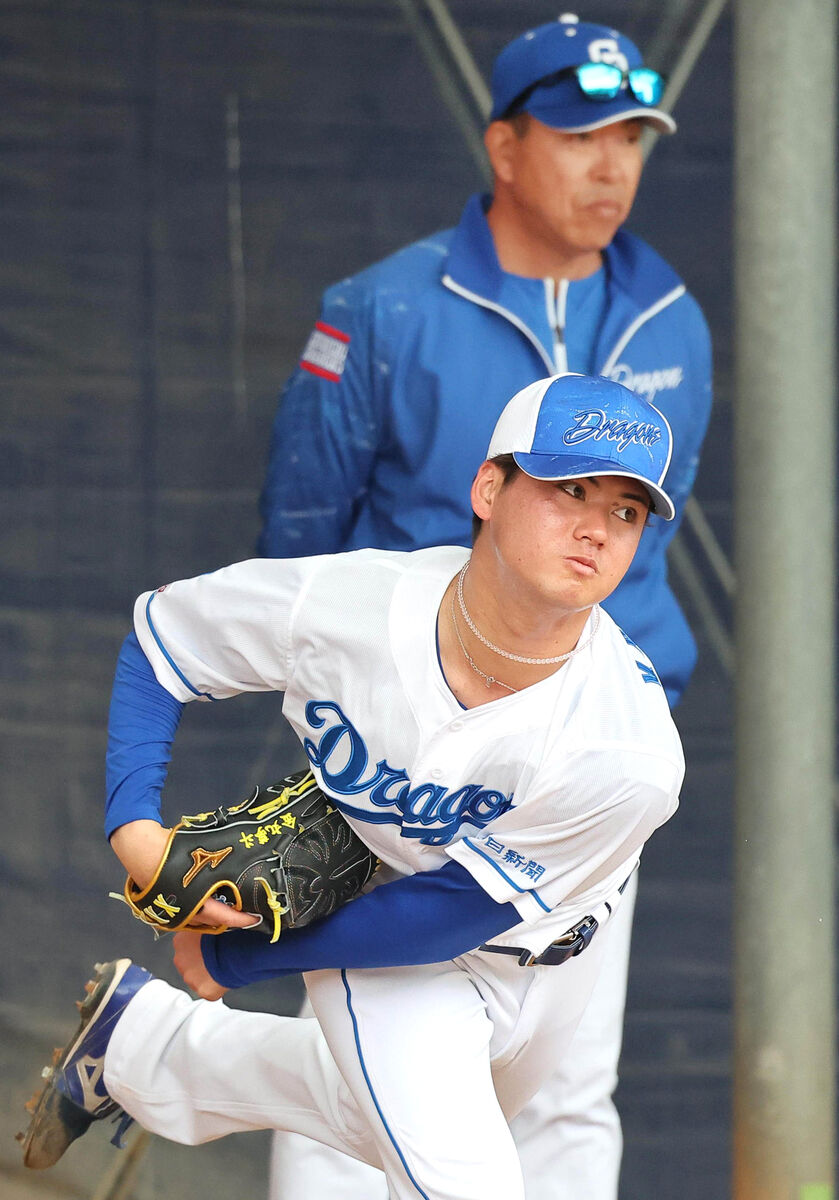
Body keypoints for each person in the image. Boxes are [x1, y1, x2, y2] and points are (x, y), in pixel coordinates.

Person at [22, 373, 686, 1200]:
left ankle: (143, 1047)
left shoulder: (629, 749)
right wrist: (134, 827)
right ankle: (148, 1049)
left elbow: (456, 913)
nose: (594, 528)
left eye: (624, 512)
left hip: (542, 955)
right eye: (569, 489)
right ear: (489, 488)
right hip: (372, 923)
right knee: (464, 1183)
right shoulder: (349, 605)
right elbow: (165, 644)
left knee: (374, 1119)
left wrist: (240, 953)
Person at [257, 14, 712, 1199]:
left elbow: (635, 555)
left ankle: (147, 1052)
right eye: (578, 136)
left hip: (577, 761)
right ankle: (152, 1053)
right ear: (504, 148)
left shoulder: (672, 322)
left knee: (559, 1089)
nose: (610, 165)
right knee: (354, 1065)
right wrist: (337, 744)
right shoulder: (378, 311)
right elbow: (296, 553)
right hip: (394, 752)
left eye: (630, 137)